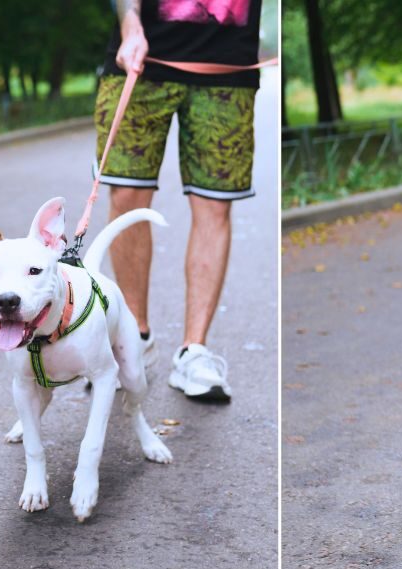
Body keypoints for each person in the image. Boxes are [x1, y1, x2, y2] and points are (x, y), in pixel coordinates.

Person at [96, 0, 262, 401]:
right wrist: (130, 23)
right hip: (139, 60)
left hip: (228, 68)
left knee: (214, 204)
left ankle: (194, 351)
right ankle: (135, 339)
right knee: (127, 198)